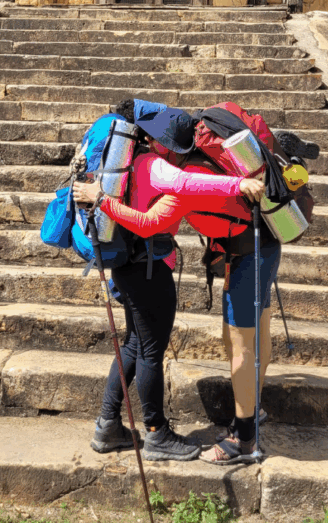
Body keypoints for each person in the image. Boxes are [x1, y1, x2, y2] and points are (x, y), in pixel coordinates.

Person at [74, 107, 280, 465]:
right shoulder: (155, 167)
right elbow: (180, 192)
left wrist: (102, 199)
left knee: (133, 346)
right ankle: (157, 434)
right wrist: (239, 184)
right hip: (149, 271)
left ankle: (107, 424)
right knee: (150, 354)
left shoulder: (127, 163)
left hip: (126, 266)